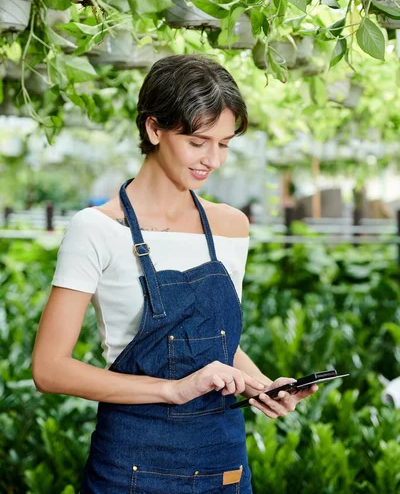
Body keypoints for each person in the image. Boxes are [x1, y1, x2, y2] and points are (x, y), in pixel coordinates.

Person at [32, 55, 318, 494]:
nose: (214, 160)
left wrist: (263, 386)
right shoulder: (97, 229)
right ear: (153, 129)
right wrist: (174, 390)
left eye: (224, 144)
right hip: (131, 468)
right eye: (199, 141)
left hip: (223, 463)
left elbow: (217, 343)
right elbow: (50, 370)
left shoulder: (230, 226)